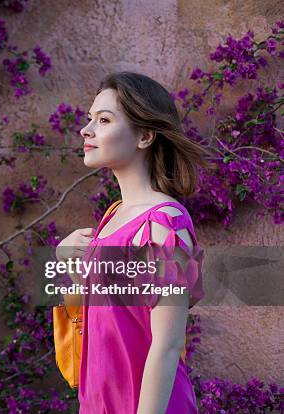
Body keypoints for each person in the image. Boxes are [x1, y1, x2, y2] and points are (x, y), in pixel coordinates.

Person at [56, 72, 211, 413]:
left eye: (104, 120)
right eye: (89, 119)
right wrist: (67, 263)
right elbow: (88, 316)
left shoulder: (165, 225)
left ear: (144, 136)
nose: (86, 129)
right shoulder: (112, 219)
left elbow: (167, 346)